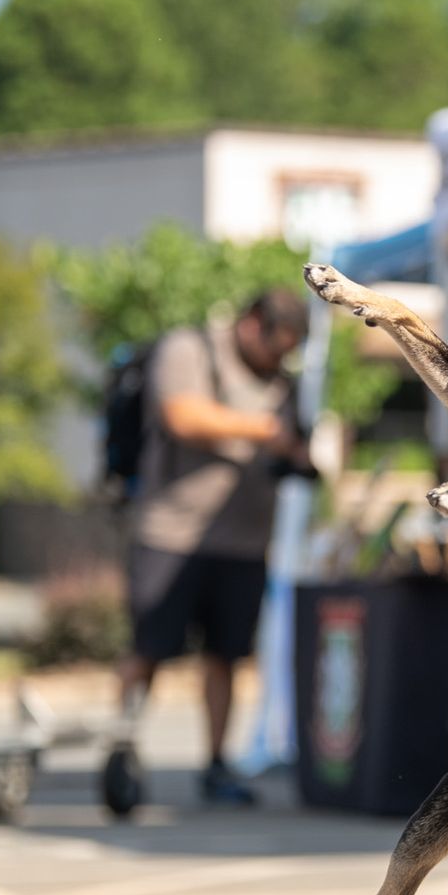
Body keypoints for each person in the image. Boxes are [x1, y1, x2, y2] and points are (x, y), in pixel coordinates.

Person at [119, 289, 310, 806]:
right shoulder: (189, 349)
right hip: (172, 534)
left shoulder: (282, 380)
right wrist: (264, 430)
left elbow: (293, 443)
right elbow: (183, 416)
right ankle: (123, 749)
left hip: (244, 542)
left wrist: (297, 453)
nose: (279, 360)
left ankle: (216, 764)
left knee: (226, 656)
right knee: (149, 648)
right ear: (252, 324)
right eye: (275, 346)